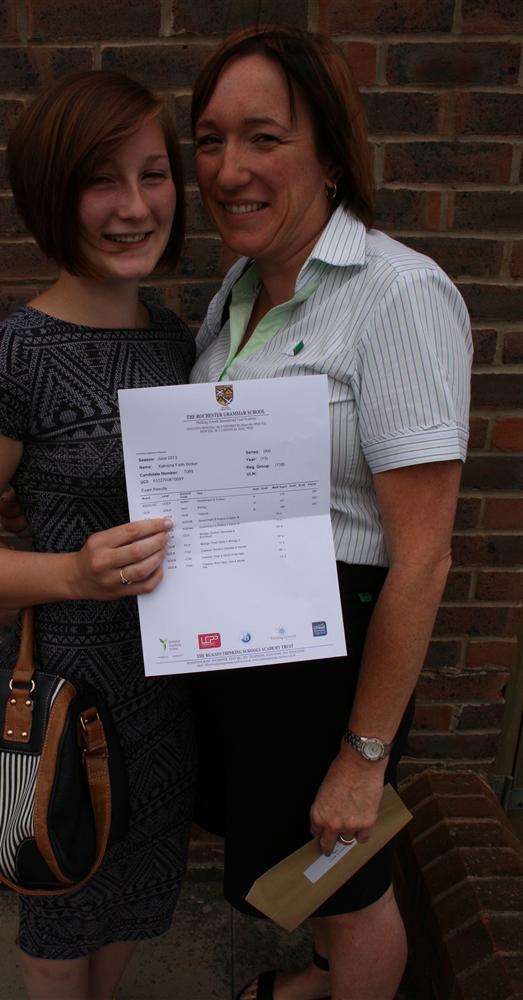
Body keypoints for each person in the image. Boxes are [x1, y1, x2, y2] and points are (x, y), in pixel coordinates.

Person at [187, 26, 472, 1000]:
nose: (230, 168)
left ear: (330, 152)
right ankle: (315, 980)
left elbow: (423, 558)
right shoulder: (235, 293)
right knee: (300, 861)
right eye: (211, 140)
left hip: (335, 650)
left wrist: (363, 753)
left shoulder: (395, 295)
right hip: (247, 636)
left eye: (262, 137)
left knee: (350, 874)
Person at [0, 71, 197, 1000]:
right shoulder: (8, 359)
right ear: (50, 193)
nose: (132, 207)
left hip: (169, 691)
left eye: (153, 175)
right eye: (99, 180)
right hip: (68, 691)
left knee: (135, 897)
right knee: (62, 907)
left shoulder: (179, 342)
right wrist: (73, 573)